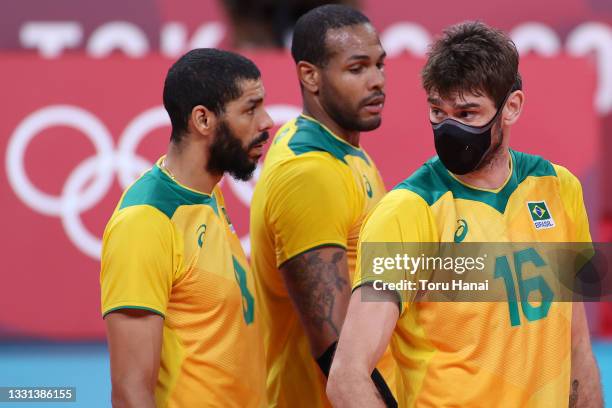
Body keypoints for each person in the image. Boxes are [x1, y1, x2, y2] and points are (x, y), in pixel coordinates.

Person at [327, 22, 603, 407]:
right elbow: (346, 376)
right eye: (437, 112)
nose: (449, 129)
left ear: (512, 107)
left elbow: (576, 342)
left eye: (468, 113)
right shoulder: (409, 211)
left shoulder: (559, 187)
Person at [100, 48, 273, 407]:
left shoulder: (207, 196)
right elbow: (130, 392)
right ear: (203, 120)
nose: (267, 121)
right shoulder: (145, 223)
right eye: (250, 109)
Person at [250, 4, 396, 407]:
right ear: (310, 76)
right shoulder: (309, 176)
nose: (377, 81)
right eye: (357, 69)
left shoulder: (347, 152)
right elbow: (337, 355)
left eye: (380, 65)